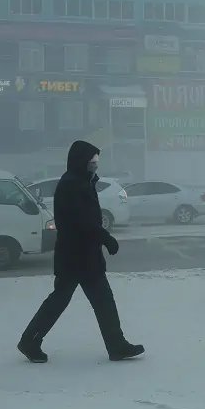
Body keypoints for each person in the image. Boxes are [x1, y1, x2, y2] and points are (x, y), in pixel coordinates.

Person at [17, 140, 144, 363]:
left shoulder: (80, 181)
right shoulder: (73, 185)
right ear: (80, 161)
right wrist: (107, 239)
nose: (96, 165)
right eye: (92, 161)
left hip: (82, 256)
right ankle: (30, 341)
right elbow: (83, 222)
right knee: (61, 301)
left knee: (100, 300)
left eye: (97, 161)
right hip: (76, 257)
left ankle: (117, 345)